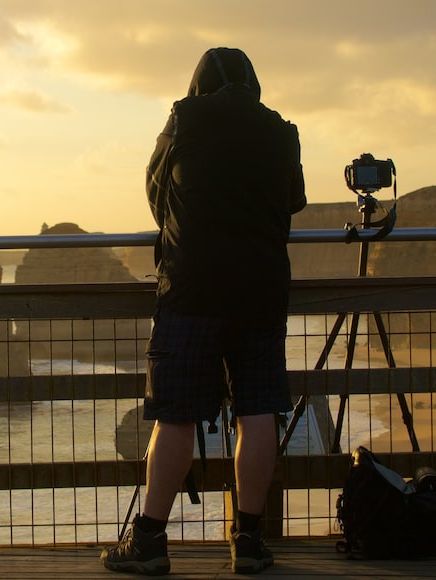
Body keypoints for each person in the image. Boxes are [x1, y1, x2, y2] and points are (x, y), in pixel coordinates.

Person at [101, 47, 306, 575]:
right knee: (257, 413)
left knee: (176, 416)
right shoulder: (282, 131)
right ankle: (251, 541)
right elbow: (293, 200)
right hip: (260, 292)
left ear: (198, 83)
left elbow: (154, 187)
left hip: (192, 290)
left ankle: (148, 540)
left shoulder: (183, 117)